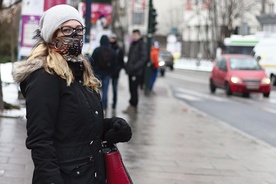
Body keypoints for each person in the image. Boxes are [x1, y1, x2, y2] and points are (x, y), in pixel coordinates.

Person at [12, 5, 131, 184]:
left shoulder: (81, 72)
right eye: (67, 30)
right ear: (52, 35)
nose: (75, 35)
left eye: (78, 29)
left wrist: (110, 127)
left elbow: (73, 125)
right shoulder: (45, 76)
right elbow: (40, 140)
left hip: (90, 175)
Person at [123, 29, 148, 114]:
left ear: (139, 35)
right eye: (133, 35)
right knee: (131, 88)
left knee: (134, 89)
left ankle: (133, 106)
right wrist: (128, 67)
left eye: (135, 35)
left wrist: (134, 67)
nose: (134, 37)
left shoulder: (141, 45)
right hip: (131, 71)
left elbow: (143, 58)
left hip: (136, 72)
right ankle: (132, 105)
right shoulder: (133, 44)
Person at [91, 35, 116, 111]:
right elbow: (114, 63)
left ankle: (96, 104)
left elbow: (92, 61)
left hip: (97, 72)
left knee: (96, 90)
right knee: (105, 90)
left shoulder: (97, 50)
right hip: (107, 74)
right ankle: (104, 105)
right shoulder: (111, 51)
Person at [109, 34, 125, 111]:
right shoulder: (108, 47)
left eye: (113, 38)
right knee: (105, 89)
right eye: (111, 38)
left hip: (115, 72)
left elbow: (121, 62)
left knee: (114, 88)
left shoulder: (119, 49)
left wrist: (117, 70)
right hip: (108, 71)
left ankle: (114, 103)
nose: (111, 40)